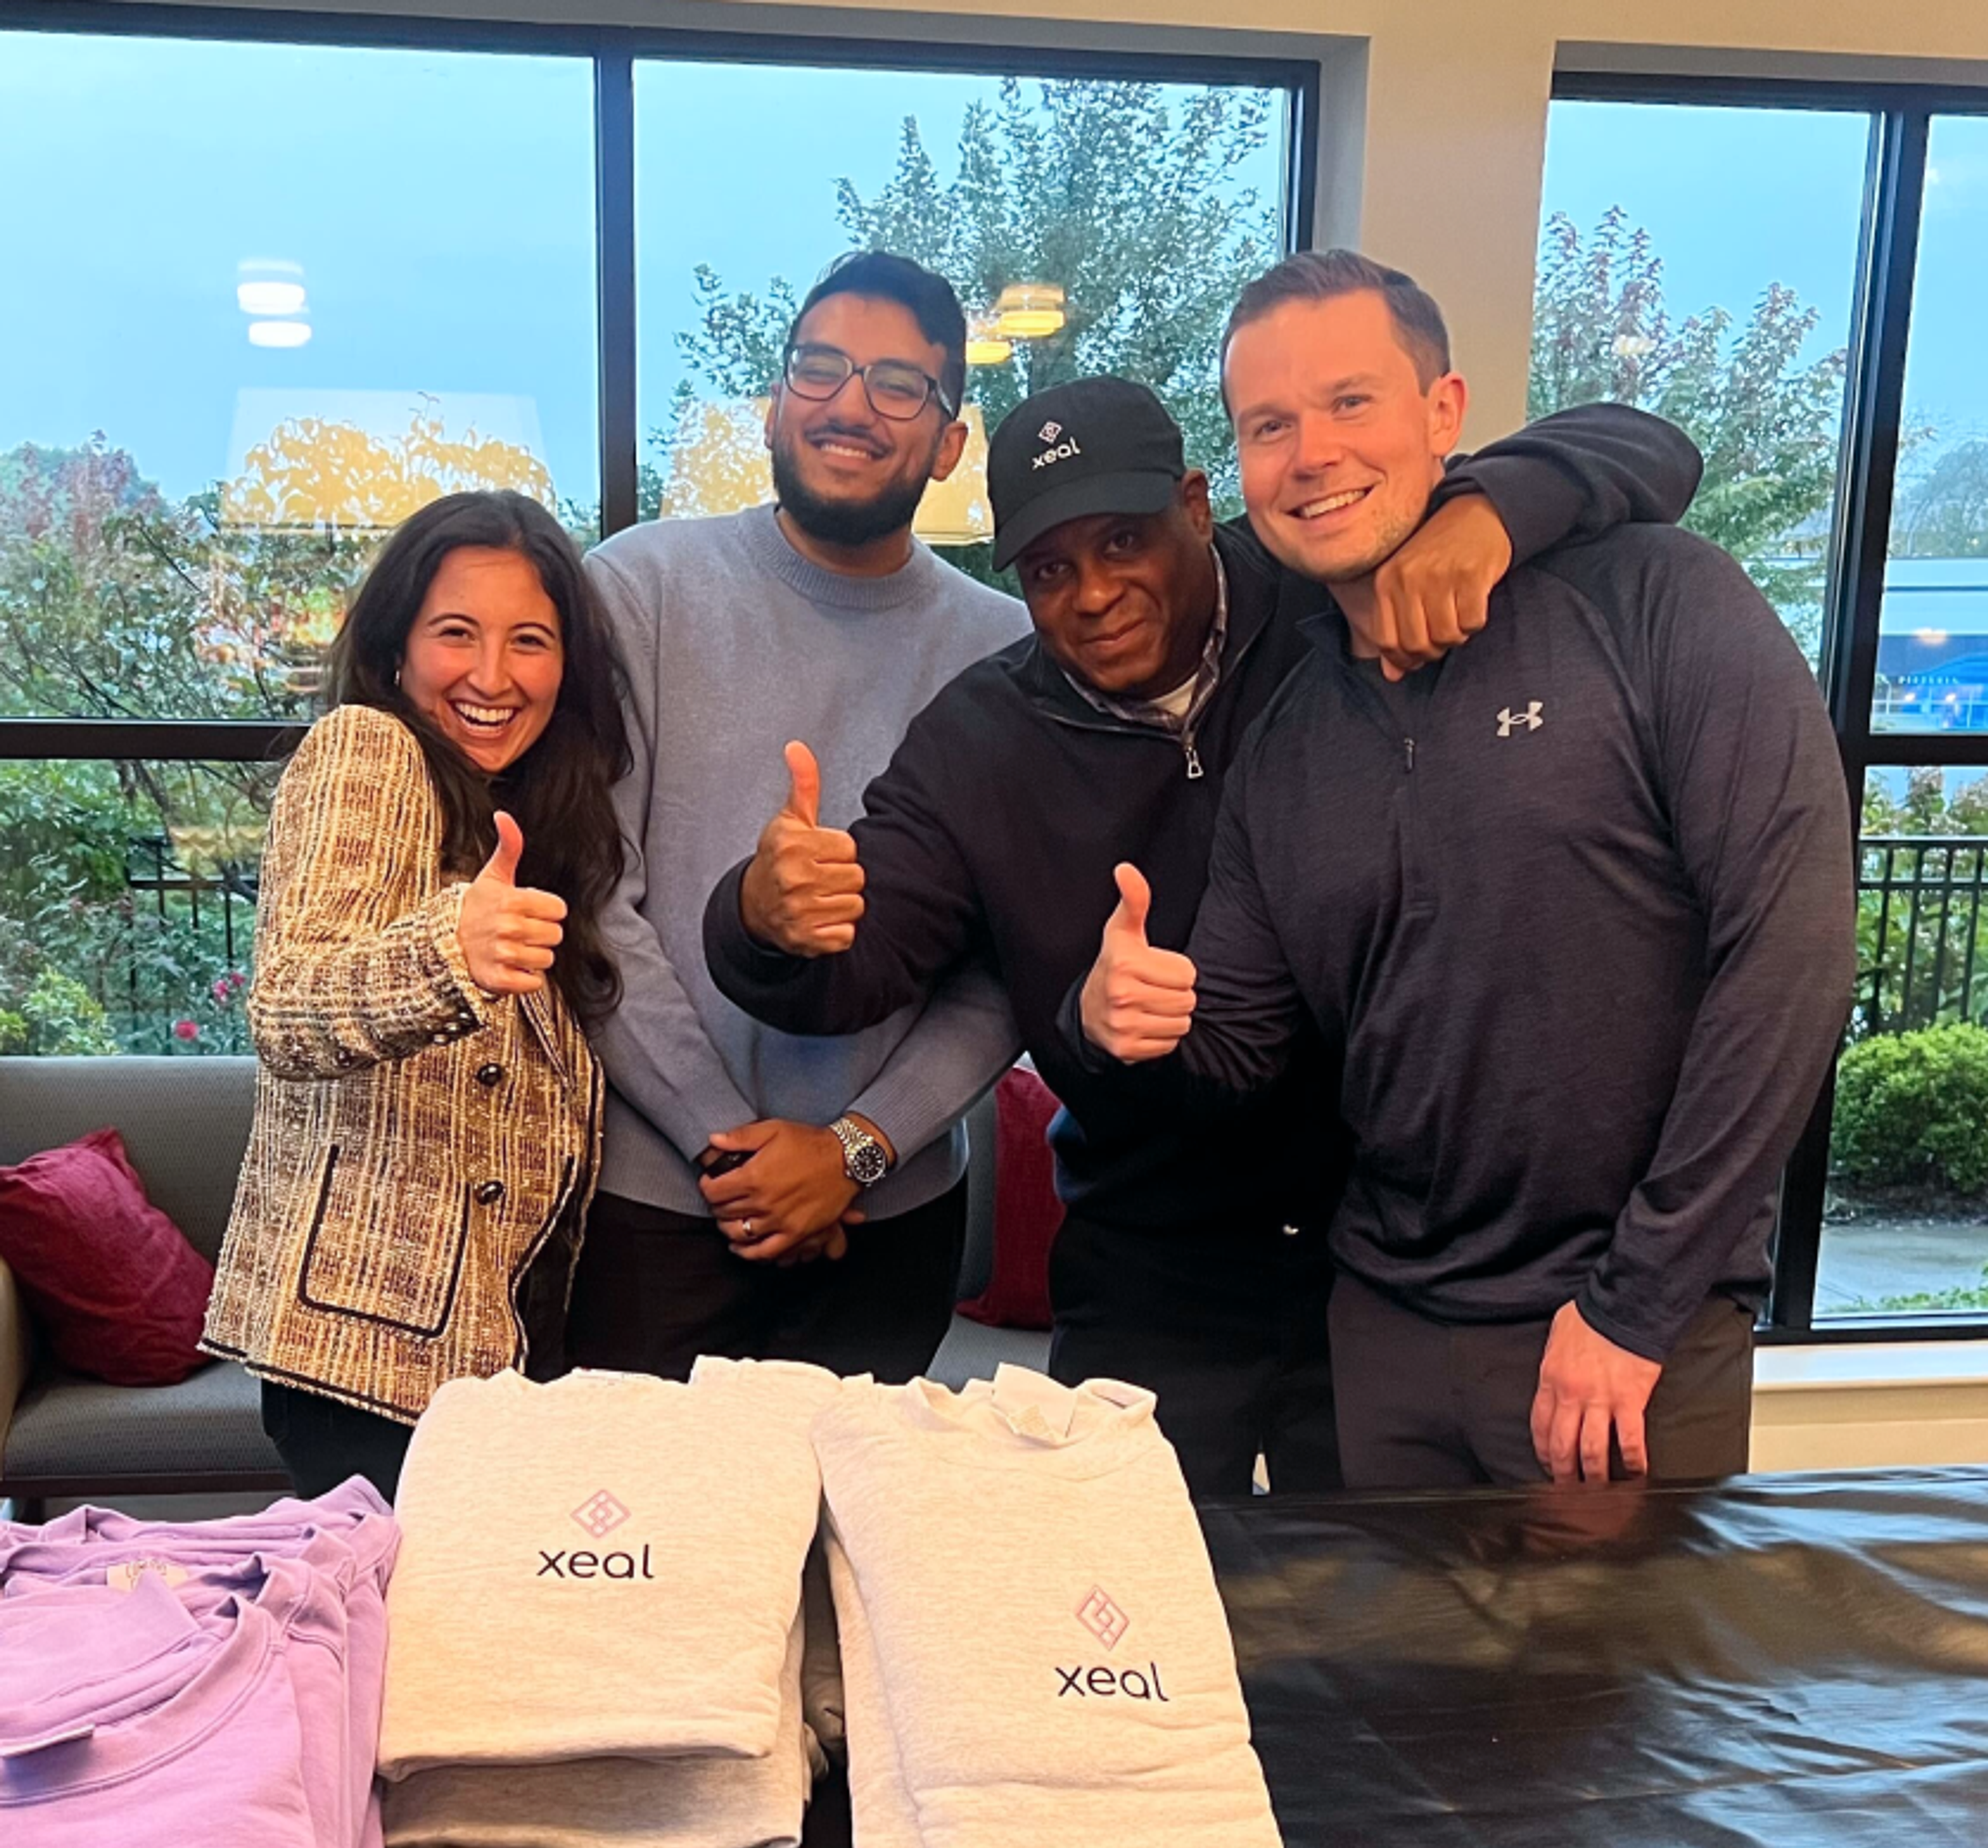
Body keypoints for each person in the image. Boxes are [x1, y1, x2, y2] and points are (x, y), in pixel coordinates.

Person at [702, 371, 1702, 1494]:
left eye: (1123, 540)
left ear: (1193, 503)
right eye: (1047, 570)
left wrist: (1490, 513)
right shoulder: (980, 740)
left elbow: (1647, 445)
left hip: (1376, 1256)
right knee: (1127, 1617)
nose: (1091, 593)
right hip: (1150, 1266)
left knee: (1391, 1625)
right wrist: (763, 917)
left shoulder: (1326, 589)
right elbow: (856, 967)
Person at [1072, 249, 1856, 1490]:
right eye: (1269, 425)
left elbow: (1795, 958)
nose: (1311, 453)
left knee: (1610, 1691)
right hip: (1381, 1337)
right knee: (1399, 1694)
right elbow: (1243, 1043)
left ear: (1444, 415)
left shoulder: (1659, 600)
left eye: (1349, 402)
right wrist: (1133, 1016)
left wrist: (1638, 1304)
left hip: (1622, 1342)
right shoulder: (1286, 739)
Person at [568, 250, 1032, 1385]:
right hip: (650, 1208)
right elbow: (592, 895)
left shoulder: (1009, 653)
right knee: (644, 1553)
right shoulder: (639, 587)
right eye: (819, 368)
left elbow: (1009, 960)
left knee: (857, 1555)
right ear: (776, 400)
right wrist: (736, 1153)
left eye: (898, 384)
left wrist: (853, 1154)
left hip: (888, 1217)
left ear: (949, 441)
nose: (849, 405)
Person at [203, 490, 628, 1498]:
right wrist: (453, 954)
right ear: (397, 650)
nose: (491, 676)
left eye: (530, 640)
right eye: (456, 634)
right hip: (365, 1368)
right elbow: (290, 1006)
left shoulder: (509, 820)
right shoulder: (370, 748)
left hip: (458, 1369)